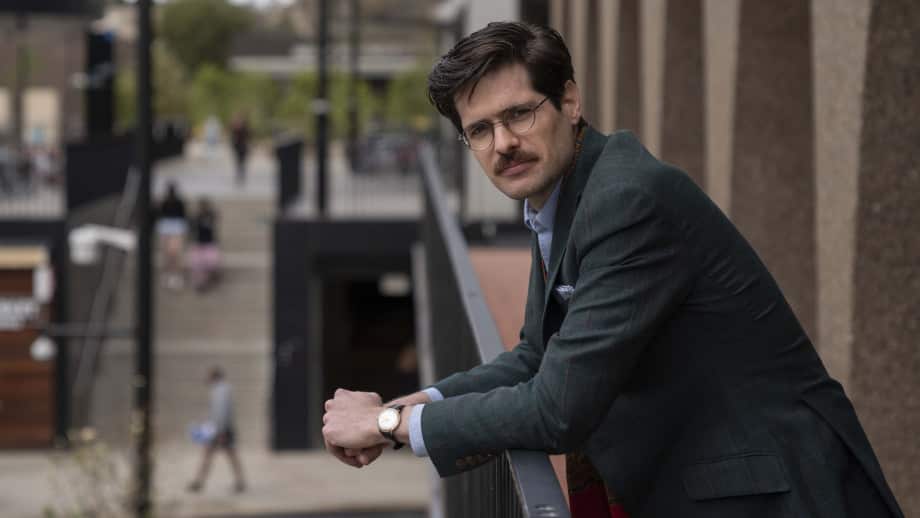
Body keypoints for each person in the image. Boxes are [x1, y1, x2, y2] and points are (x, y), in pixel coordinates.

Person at [320, 22, 904, 518]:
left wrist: (391, 423)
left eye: (519, 114)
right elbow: (536, 355)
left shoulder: (627, 199)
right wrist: (412, 401)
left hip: (779, 493)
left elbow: (557, 409)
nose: (503, 144)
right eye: (480, 130)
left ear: (570, 102)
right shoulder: (563, 198)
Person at [187, 366, 246, 493]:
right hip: (220, 429)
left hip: (220, 430)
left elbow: (221, 412)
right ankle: (239, 482)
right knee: (222, 455)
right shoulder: (222, 389)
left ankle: (199, 482)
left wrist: (221, 432)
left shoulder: (220, 390)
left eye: (209, 376)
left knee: (219, 455)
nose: (206, 379)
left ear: (214, 377)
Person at [156, 181, 188, 290]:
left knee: (175, 252)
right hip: (166, 226)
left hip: (176, 227)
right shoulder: (164, 202)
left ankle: (176, 275)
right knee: (167, 253)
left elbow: (183, 215)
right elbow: (160, 214)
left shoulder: (179, 202)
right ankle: (167, 274)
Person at [187, 197, 221, 292]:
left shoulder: (210, 215)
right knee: (198, 265)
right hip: (199, 243)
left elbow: (215, 218)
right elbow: (191, 228)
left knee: (211, 263)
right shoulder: (196, 217)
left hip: (209, 243)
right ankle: (201, 283)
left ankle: (209, 278)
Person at [230, 115, 250, 186]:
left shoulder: (244, 129)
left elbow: (248, 137)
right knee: (239, 163)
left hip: (243, 148)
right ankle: (239, 176)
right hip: (238, 148)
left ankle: (241, 176)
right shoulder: (235, 130)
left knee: (242, 163)